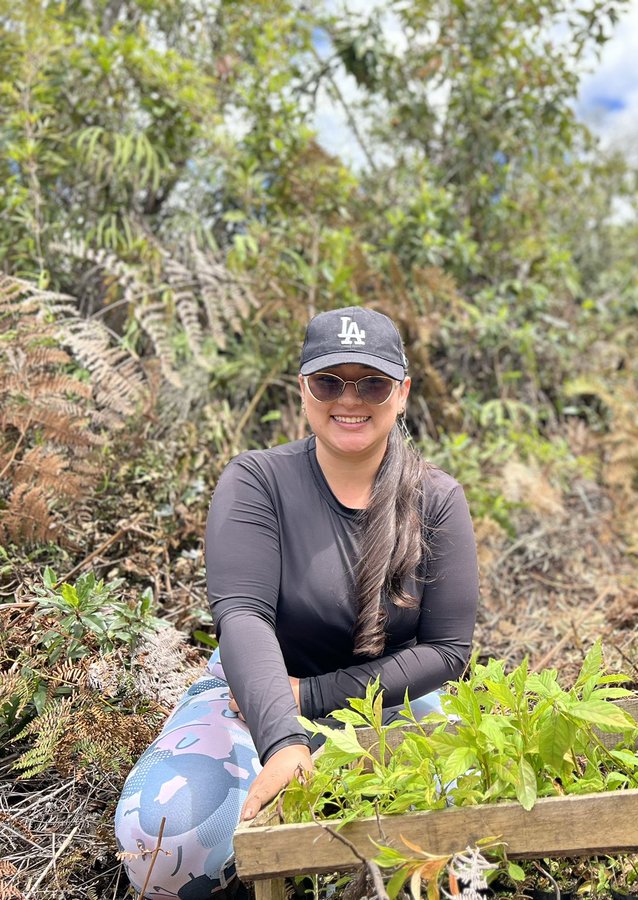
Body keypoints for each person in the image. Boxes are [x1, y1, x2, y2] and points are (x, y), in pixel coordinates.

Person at [115, 307, 480, 899]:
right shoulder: (258, 481)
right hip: (254, 691)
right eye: (330, 381)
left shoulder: (436, 499)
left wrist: (311, 697)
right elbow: (243, 618)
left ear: (403, 394)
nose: (350, 398)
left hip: (391, 696)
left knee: (468, 847)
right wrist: (283, 736)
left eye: (372, 383)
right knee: (162, 844)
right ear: (303, 391)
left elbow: (447, 650)